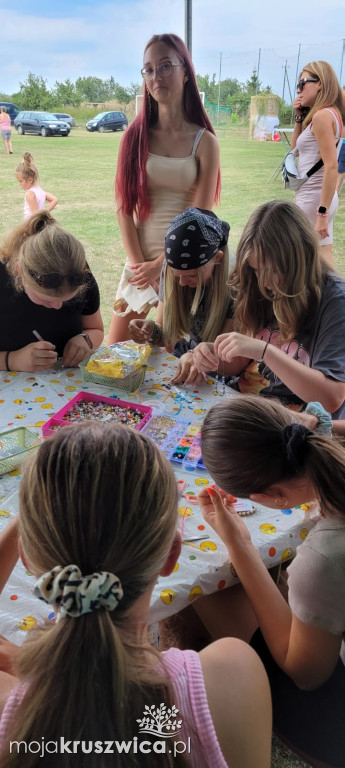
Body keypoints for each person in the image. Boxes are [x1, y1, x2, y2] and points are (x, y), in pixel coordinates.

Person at [0, 423, 272, 768]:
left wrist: (39, 512)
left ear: (27, 558)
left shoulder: (8, 709)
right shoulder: (233, 674)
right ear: (172, 555)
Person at [195, 393, 345, 768]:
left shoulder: (324, 558)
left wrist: (239, 544)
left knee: (209, 593)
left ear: (271, 497)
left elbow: (306, 673)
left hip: (335, 723)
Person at [108, 32, 220, 344]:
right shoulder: (134, 136)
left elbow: (201, 216)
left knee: (166, 355)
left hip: (185, 266)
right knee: (114, 351)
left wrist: (164, 265)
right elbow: (123, 210)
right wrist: (139, 265)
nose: (157, 76)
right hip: (140, 263)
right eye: (149, 69)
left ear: (186, 72)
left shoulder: (205, 141)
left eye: (166, 65)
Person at [191, 200, 345, 418]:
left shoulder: (335, 302)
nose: (263, 282)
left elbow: (331, 398)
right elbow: (238, 364)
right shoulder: (260, 287)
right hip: (248, 406)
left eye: (271, 270)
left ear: (299, 260)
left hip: (297, 422)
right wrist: (212, 356)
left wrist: (266, 352)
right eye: (255, 269)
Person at [128, 207, 232, 385]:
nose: (182, 283)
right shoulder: (170, 274)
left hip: (224, 372)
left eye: (192, 276)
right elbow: (166, 334)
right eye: (177, 276)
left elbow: (230, 357)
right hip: (189, 360)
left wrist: (196, 357)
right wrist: (150, 330)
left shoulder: (235, 288)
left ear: (218, 258)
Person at [0, 210, 104, 372]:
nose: (57, 306)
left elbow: (96, 329)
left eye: (68, 299)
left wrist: (85, 340)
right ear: (21, 272)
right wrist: (11, 360)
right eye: (47, 299)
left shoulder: (81, 276)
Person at [291, 61, 345, 263]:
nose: (298, 90)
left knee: (299, 260)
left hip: (313, 200)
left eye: (302, 83)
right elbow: (294, 152)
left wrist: (321, 213)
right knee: (324, 257)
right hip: (323, 198)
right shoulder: (332, 114)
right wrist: (299, 118)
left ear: (320, 83)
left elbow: (331, 166)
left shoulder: (322, 116)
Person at [15, 153, 58, 219]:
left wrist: (43, 213)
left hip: (31, 225)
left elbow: (36, 215)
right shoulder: (40, 191)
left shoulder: (30, 194)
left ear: (30, 180)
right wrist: (45, 212)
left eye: (21, 181)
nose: (19, 184)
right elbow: (54, 200)